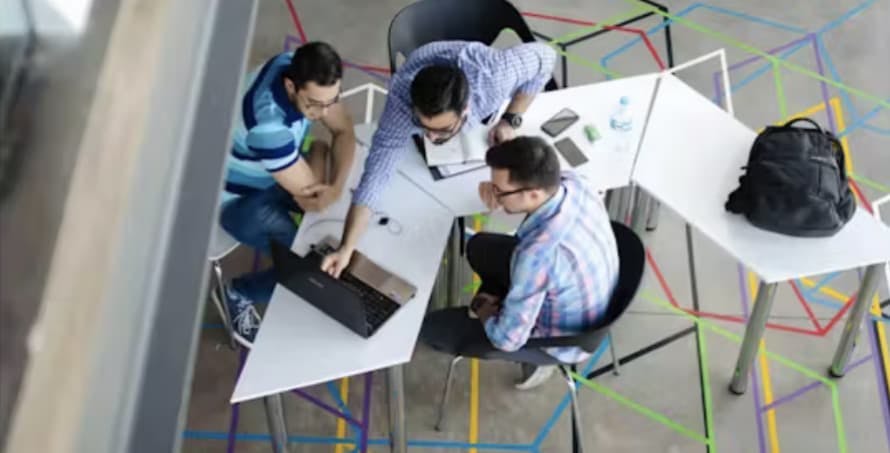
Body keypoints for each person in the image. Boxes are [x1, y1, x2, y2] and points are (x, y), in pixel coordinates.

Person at [320, 40, 557, 278]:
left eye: (443, 130)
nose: (432, 138)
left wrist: (511, 118)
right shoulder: (401, 101)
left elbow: (547, 56)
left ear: (465, 110)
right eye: (424, 127)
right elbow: (376, 175)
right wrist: (346, 247)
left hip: (476, 67)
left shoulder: (495, 77)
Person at [420, 136, 619, 389]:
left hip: (562, 340)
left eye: (499, 192)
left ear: (533, 193)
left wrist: (485, 314)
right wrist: (499, 194)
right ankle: (515, 301)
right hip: (588, 295)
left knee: (433, 329)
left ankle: (537, 363)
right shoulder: (575, 183)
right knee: (480, 246)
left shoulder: (537, 256)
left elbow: (506, 340)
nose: (495, 195)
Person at [218, 42, 356, 346]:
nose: (323, 113)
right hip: (238, 201)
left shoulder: (300, 66)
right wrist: (323, 168)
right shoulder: (268, 126)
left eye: (331, 101)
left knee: (328, 214)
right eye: (315, 105)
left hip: (273, 174)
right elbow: (312, 202)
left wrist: (334, 186)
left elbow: (345, 130)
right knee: (306, 265)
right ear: (290, 86)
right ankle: (238, 291)